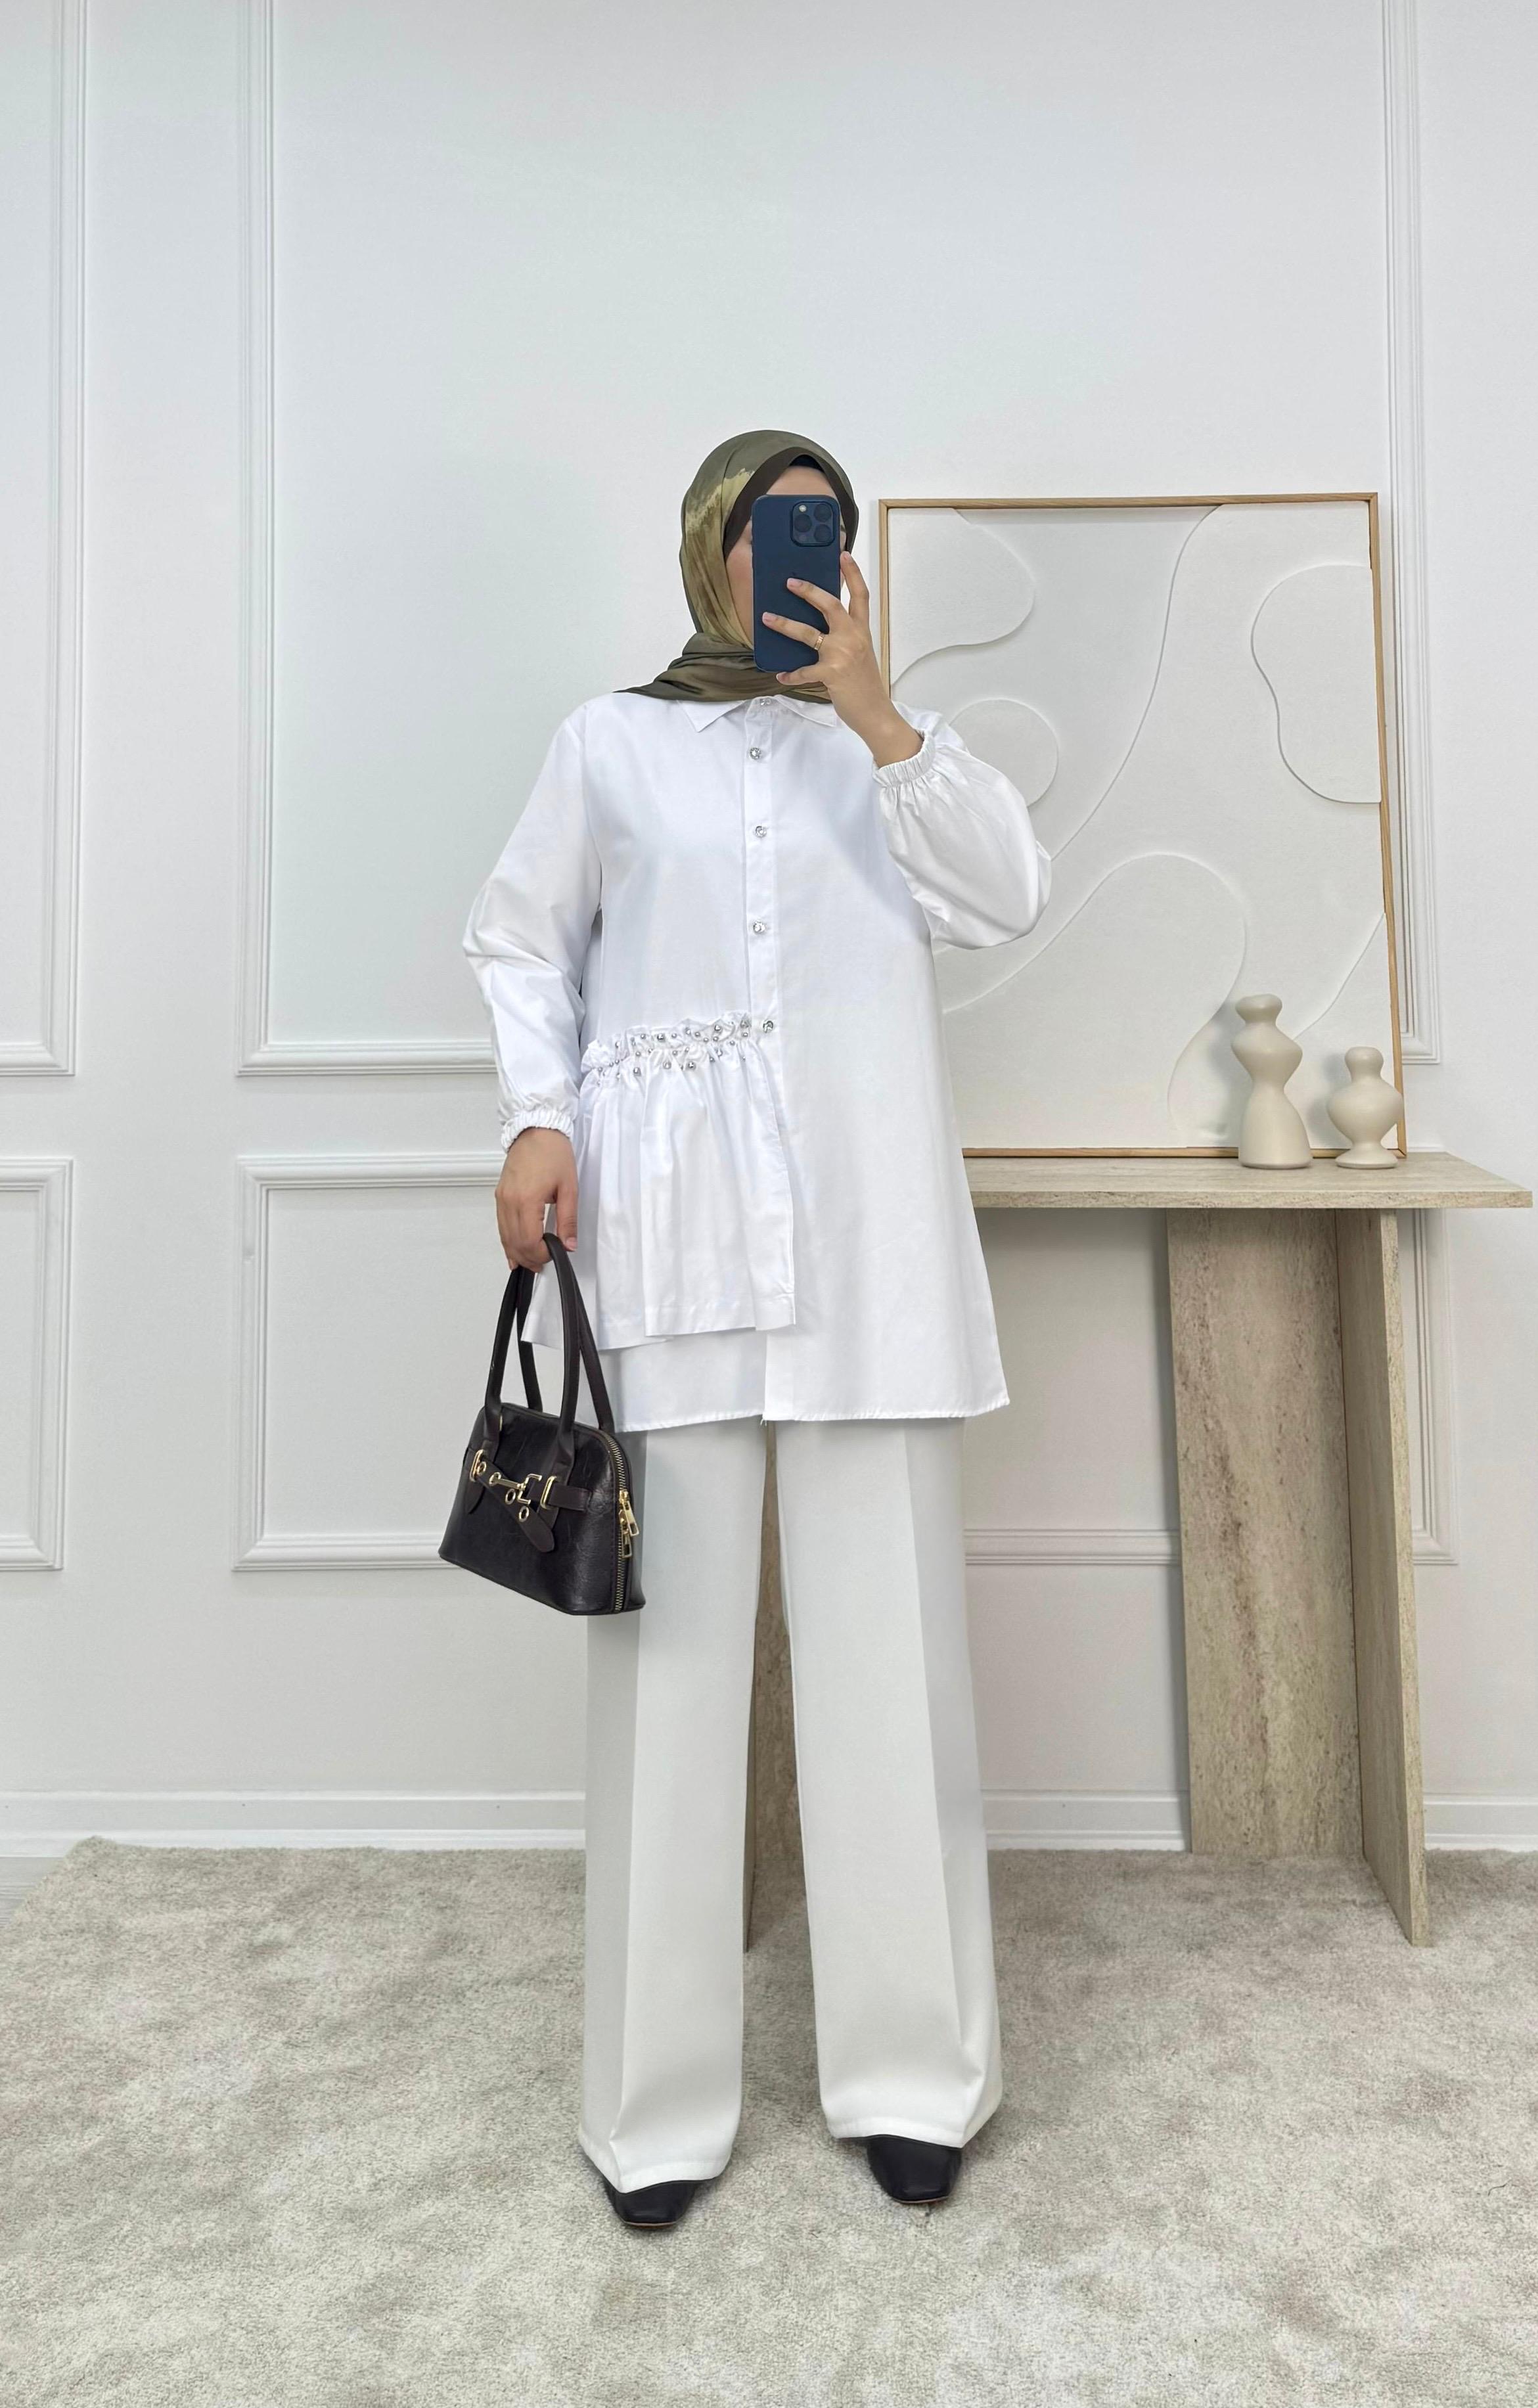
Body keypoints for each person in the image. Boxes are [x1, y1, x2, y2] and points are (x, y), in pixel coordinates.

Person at [461, 428, 1051, 2229]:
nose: (799, 555)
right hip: (677, 1243)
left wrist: (875, 710)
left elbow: (1006, 897)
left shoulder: (895, 752)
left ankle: (918, 2076)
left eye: (826, 529)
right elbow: (521, 939)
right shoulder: (609, 744)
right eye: (770, 528)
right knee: (666, 1674)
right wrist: (536, 1117)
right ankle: (654, 2112)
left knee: (897, 1670)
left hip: (869, 1255)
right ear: (711, 546)